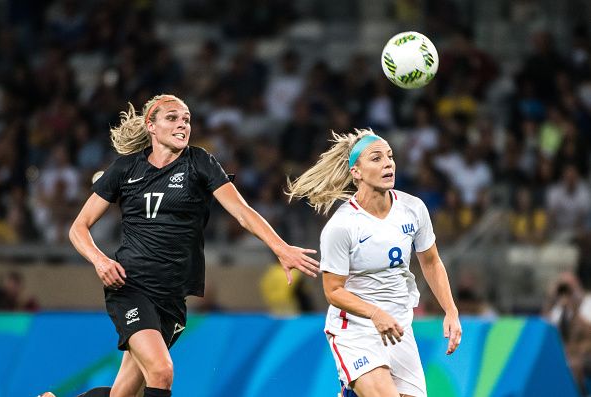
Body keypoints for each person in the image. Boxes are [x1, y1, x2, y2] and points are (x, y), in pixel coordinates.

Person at [40, 94, 319, 397]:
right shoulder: (125, 170)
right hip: (131, 286)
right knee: (161, 371)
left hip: (172, 297)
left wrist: (280, 247)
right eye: (172, 118)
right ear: (151, 125)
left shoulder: (200, 162)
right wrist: (100, 260)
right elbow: (78, 228)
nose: (182, 124)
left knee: (123, 394)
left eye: (186, 119)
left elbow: (242, 211)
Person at [287, 129, 462, 397]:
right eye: (376, 158)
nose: (388, 163)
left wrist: (451, 310)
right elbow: (333, 291)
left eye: (390, 157)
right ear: (355, 171)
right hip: (355, 329)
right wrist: (375, 313)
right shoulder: (342, 226)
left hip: (399, 327)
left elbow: (431, 261)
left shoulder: (413, 209)